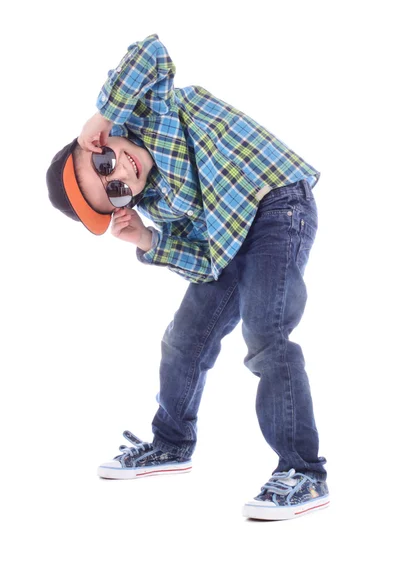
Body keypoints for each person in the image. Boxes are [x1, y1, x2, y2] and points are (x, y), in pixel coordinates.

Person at [46, 33, 329, 521]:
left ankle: (303, 471)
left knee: (266, 330)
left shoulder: (150, 110)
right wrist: (150, 242)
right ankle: (171, 442)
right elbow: (205, 261)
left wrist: (103, 113)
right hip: (230, 240)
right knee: (183, 340)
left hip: (279, 204)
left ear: (98, 141)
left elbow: (150, 52)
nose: (120, 173)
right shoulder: (159, 204)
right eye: (114, 191)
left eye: (103, 161)